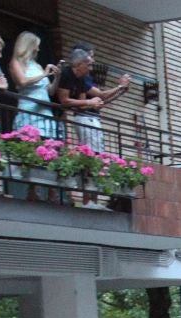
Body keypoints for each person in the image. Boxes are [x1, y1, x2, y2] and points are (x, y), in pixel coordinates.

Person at [56, 48, 131, 208]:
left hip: (87, 117)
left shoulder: (83, 78)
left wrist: (116, 92)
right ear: (80, 63)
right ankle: (86, 199)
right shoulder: (68, 74)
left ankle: (93, 199)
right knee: (90, 156)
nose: (91, 68)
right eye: (89, 64)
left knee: (95, 157)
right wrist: (116, 88)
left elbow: (90, 103)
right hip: (75, 118)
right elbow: (66, 100)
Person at [7, 31, 61, 201]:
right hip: (29, 112)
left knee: (49, 151)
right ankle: (33, 190)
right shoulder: (16, 63)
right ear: (29, 45)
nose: (38, 49)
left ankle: (51, 190)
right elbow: (22, 82)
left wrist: (57, 77)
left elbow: (50, 91)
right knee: (33, 150)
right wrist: (44, 74)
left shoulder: (37, 66)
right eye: (36, 45)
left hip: (45, 113)